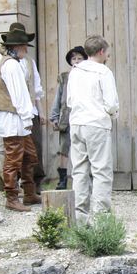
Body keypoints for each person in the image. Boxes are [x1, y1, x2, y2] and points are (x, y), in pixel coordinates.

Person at [0, 25, 39, 212]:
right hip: (12, 118)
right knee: (13, 157)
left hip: (16, 118)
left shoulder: (8, 63)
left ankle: (29, 192)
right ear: (17, 47)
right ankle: (12, 197)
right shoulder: (10, 65)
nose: (26, 49)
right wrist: (27, 117)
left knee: (29, 156)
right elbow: (19, 95)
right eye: (24, 46)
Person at [67, 34, 120, 222]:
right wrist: (113, 114)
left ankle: (80, 216)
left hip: (77, 123)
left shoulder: (75, 71)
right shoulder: (103, 72)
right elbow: (111, 103)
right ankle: (100, 217)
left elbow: (70, 100)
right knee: (101, 170)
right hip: (97, 123)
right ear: (101, 51)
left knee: (79, 170)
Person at [49, 46, 88, 190]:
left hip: (83, 117)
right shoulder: (65, 77)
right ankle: (62, 180)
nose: (76, 61)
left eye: (79, 58)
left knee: (84, 149)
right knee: (64, 149)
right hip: (67, 117)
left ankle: (84, 180)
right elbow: (58, 98)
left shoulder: (88, 76)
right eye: (74, 58)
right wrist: (54, 116)